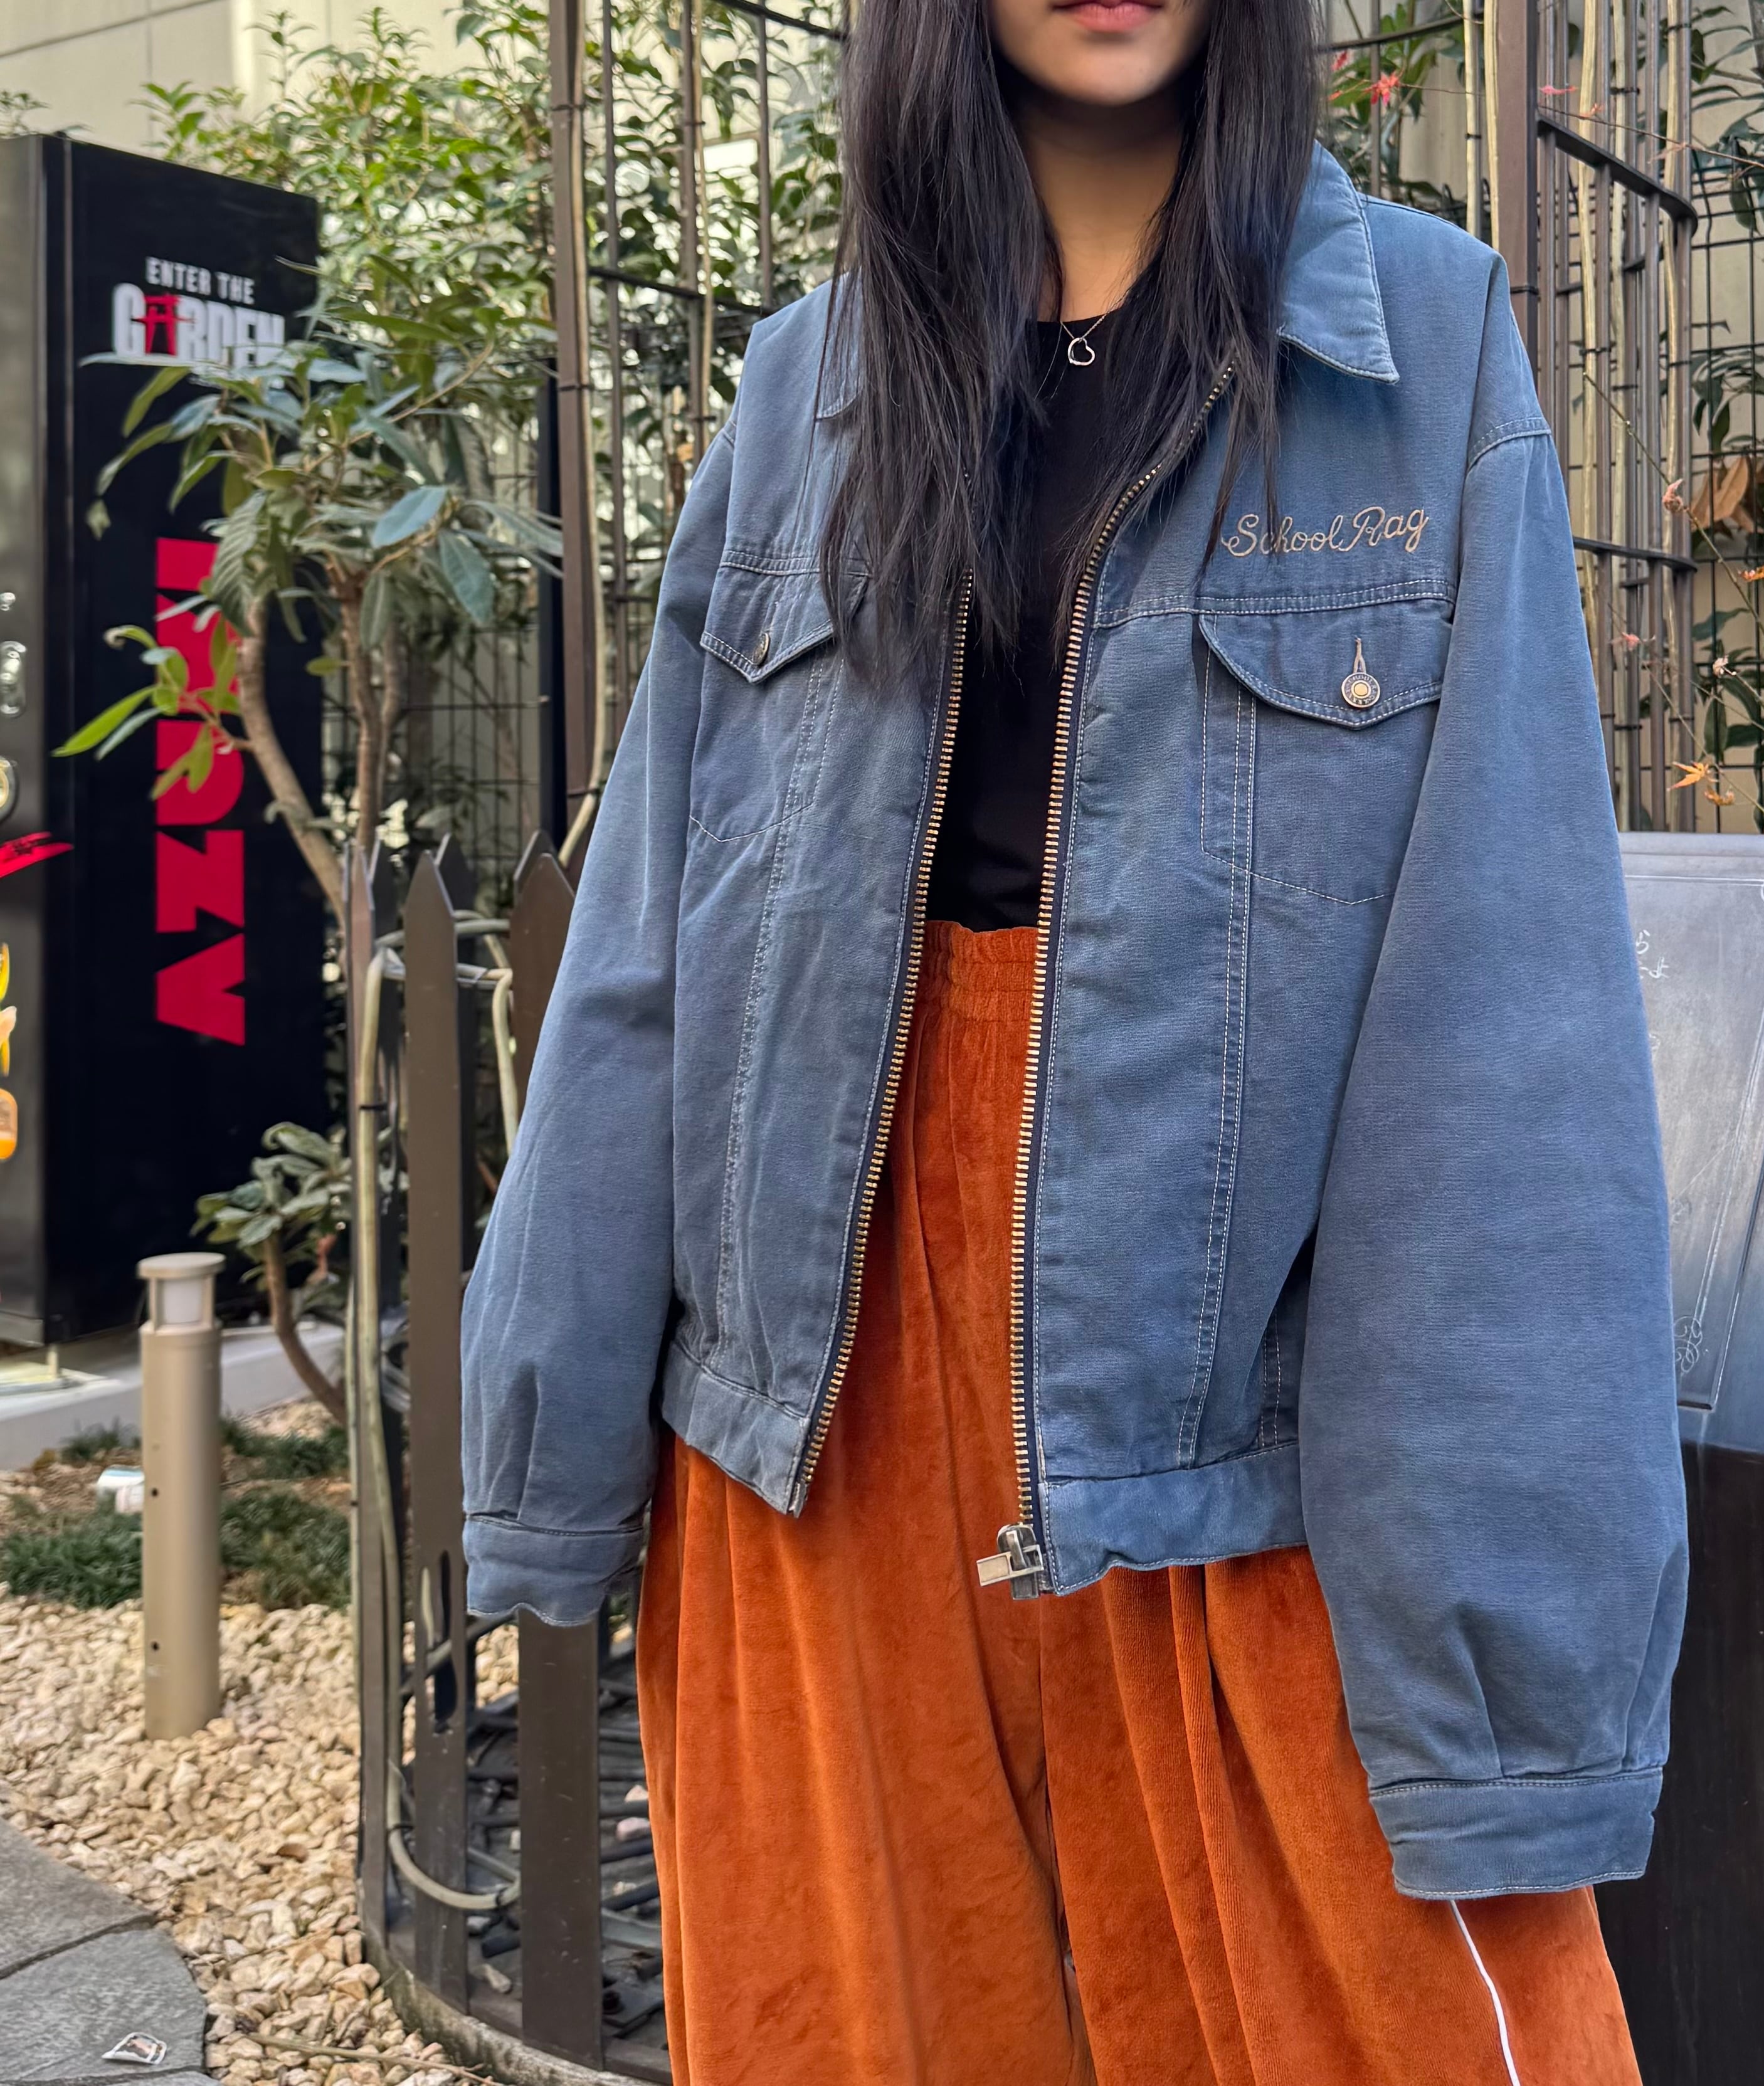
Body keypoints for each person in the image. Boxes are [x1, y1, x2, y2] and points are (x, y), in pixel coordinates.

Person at [461, 0, 1688, 2077]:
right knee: (863, 2027)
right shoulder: (807, 385)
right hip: (822, 1376)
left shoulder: (1421, 338)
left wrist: (1513, 1621)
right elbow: (659, 932)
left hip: (1244, 1369)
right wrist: (548, 1437)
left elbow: (1502, 991)